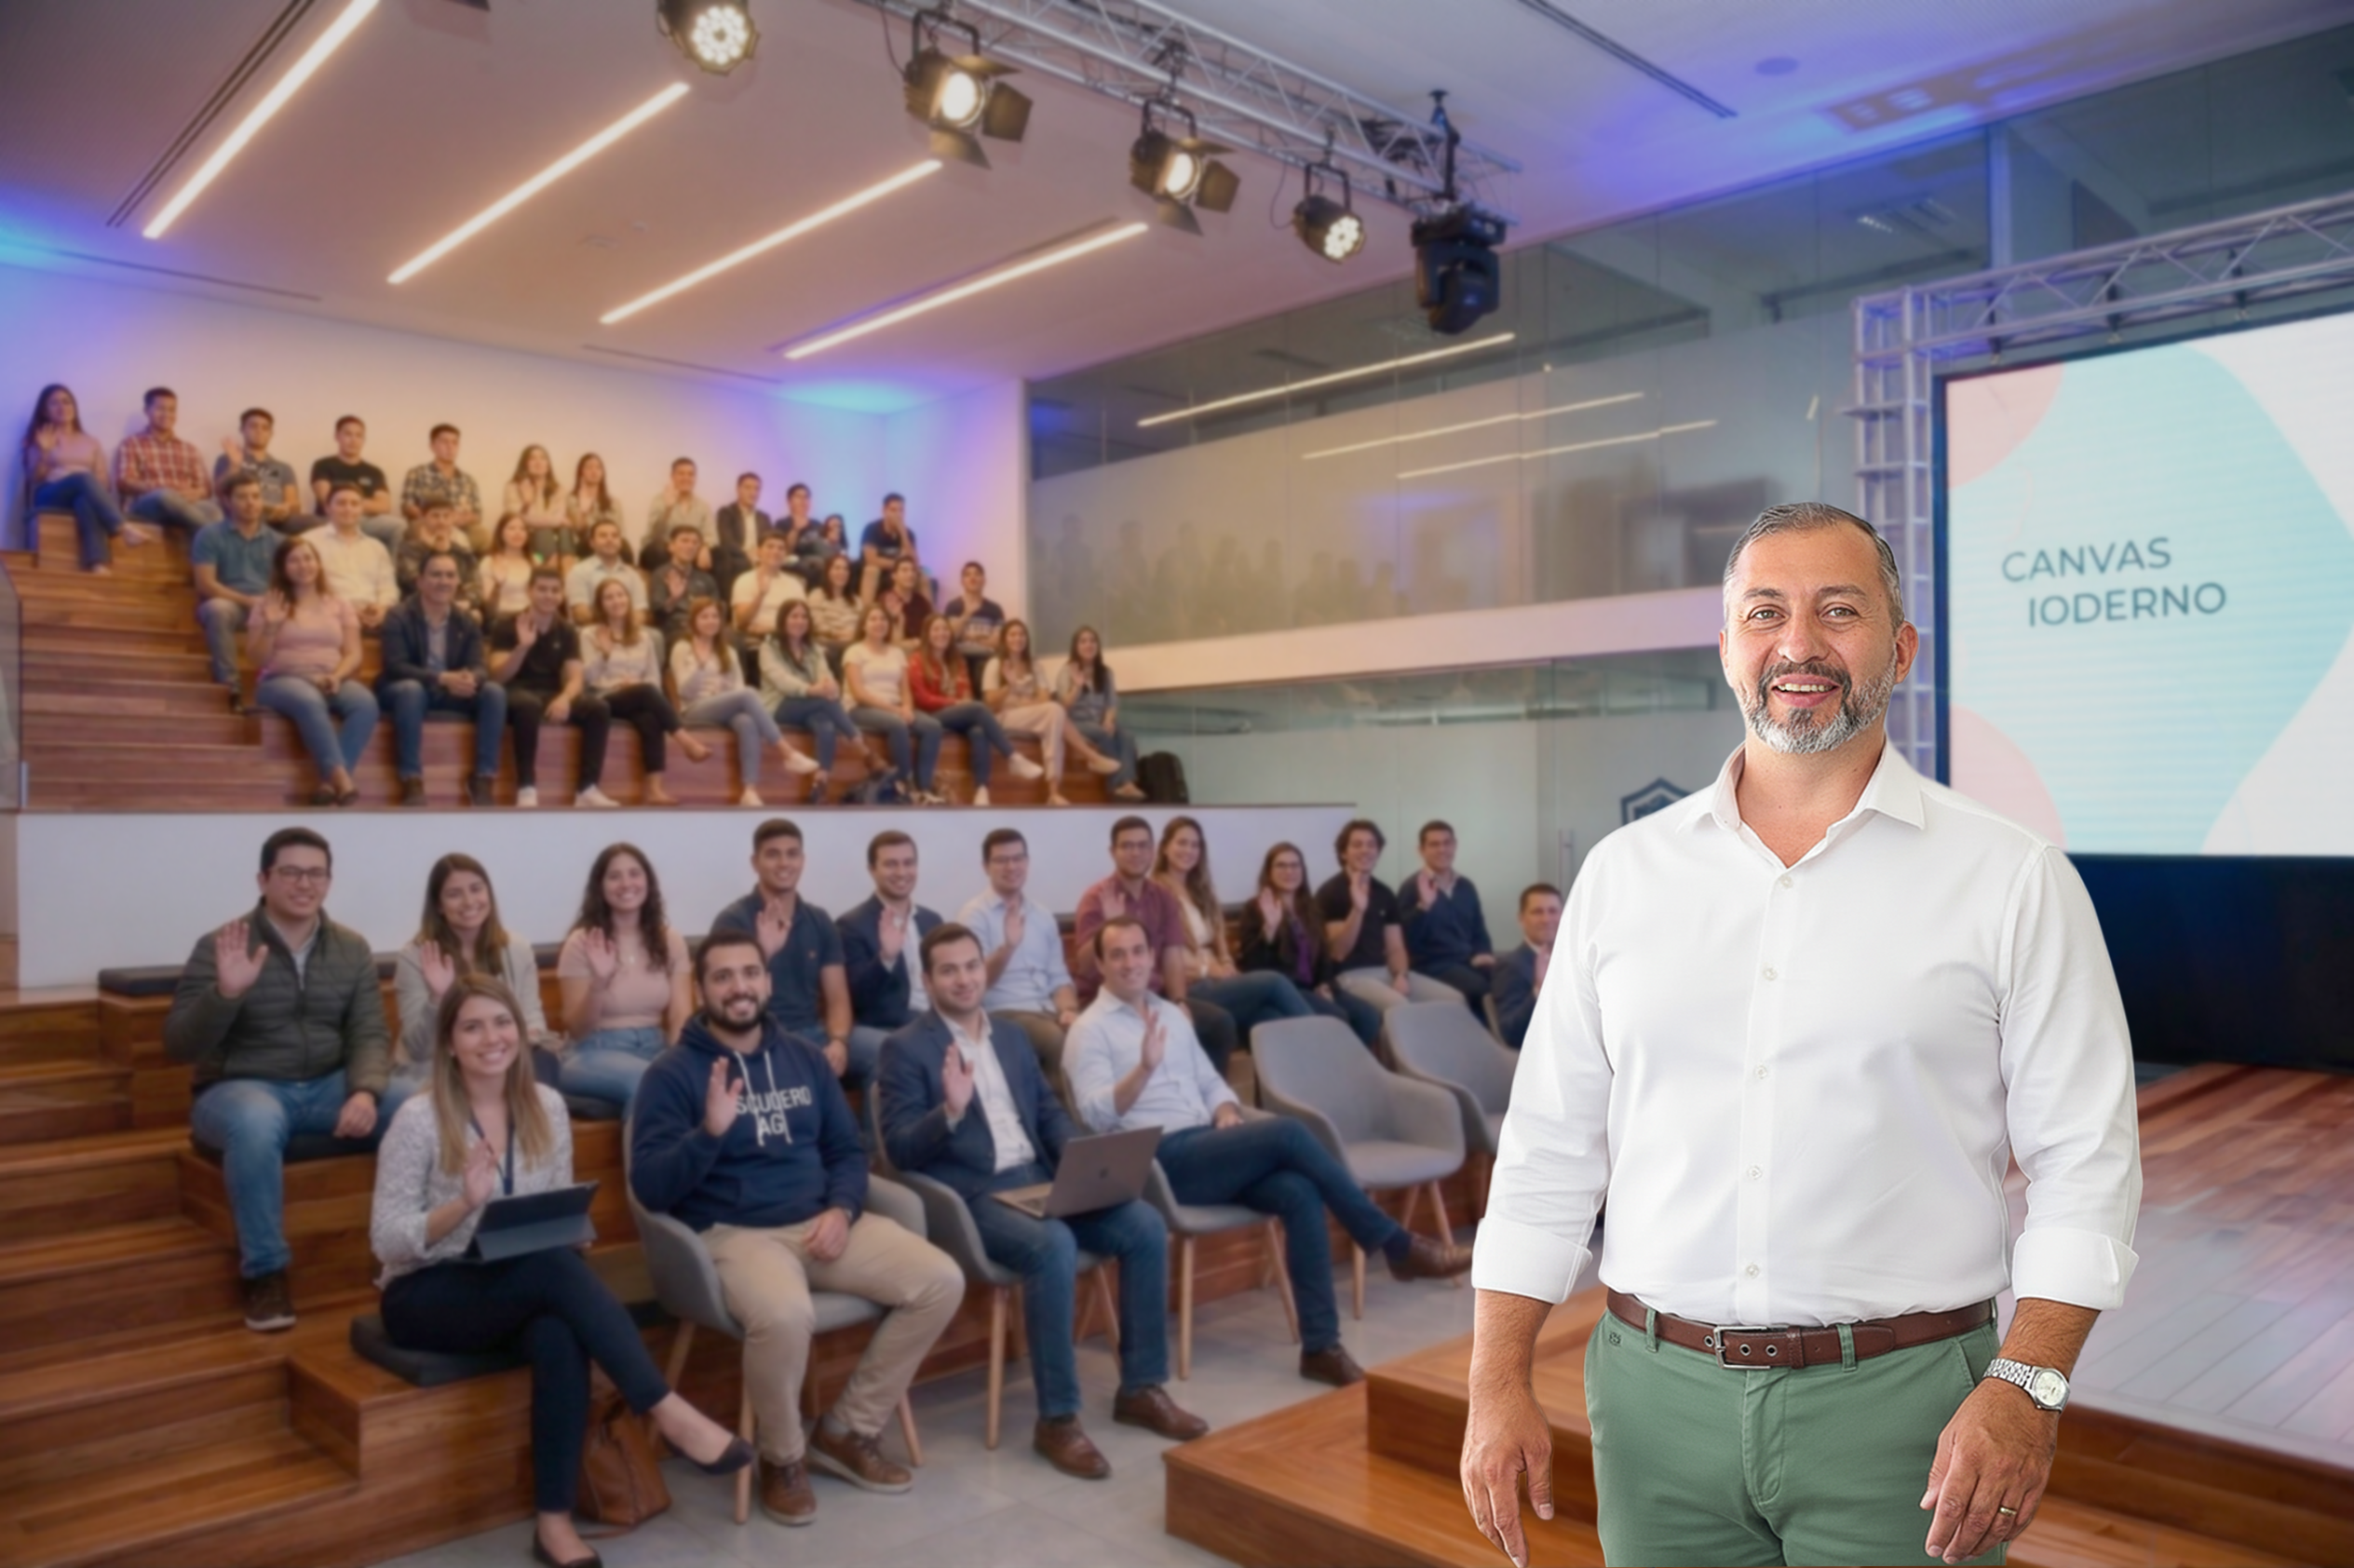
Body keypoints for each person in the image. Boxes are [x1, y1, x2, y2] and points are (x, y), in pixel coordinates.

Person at [1461, 503, 2144, 1568]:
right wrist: (1493, 1377)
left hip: (1906, 1412)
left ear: (1900, 647)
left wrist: (2028, 1382)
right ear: (1727, 646)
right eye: (1764, 612)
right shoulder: (1623, 875)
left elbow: (2084, 1163)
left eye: (1838, 611)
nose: (1797, 643)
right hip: (1649, 1401)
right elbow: (1548, 1148)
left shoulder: (2012, 878)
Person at [372, 975, 752, 1568]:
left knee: (557, 1329)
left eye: (502, 1024)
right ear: (449, 1043)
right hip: (427, 1290)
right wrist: (462, 1206)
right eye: (472, 1026)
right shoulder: (419, 1119)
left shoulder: (547, 1106)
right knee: (550, 1274)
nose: (491, 1038)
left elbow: (546, 1213)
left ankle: (553, 1526)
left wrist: (571, 1231)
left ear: (521, 1035)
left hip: (521, 1279)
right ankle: (665, 1409)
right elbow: (388, 1240)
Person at [631, 932, 964, 1523]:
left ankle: (846, 1431)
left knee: (941, 1278)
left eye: (750, 973)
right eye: (724, 976)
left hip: (824, 1222)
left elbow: (845, 1151)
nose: (739, 987)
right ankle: (781, 1459)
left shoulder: (806, 1058)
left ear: (767, 981)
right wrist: (708, 1134)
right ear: (701, 989)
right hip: (735, 1233)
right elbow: (653, 1188)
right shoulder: (672, 1073)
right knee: (786, 1316)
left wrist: (842, 1209)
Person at [1068, 917, 1473, 1388]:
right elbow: (1095, 1117)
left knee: (1299, 1191)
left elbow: (1210, 1081)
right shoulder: (1089, 1030)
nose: (1130, 963)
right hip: (1158, 1161)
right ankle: (1394, 1244)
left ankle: (1321, 1346)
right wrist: (1142, 1069)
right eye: (1117, 955)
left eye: (1138, 951)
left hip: (1207, 1144)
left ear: (1151, 956)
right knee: (1287, 1134)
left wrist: (1223, 1109)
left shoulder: (1170, 1014)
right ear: (1099, 964)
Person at [878, 925, 1207, 1479]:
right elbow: (901, 1152)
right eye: (949, 970)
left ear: (985, 971)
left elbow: (1049, 1116)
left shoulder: (1010, 1037)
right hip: (973, 1194)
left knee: (1144, 1224)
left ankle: (1142, 1388)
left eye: (971, 966)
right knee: (1053, 1243)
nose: (963, 979)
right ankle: (1057, 1420)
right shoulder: (905, 1048)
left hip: (1039, 1178)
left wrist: (1085, 1162)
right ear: (927, 978)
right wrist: (951, 1113)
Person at [164, 829, 399, 1332]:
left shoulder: (351, 948)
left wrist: (365, 1090)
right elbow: (180, 1045)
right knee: (254, 1121)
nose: (303, 883)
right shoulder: (221, 945)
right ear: (263, 879)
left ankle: (411, 1249)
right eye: (290, 872)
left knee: (418, 1104)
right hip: (237, 1089)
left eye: (315, 873)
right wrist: (225, 994)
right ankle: (266, 1275)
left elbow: (369, 1033)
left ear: (329, 882)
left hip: (326, 1084)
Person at [1070, 818, 1241, 1075]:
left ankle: (1205, 1102)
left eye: (1142, 846)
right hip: (1108, 1000)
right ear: (1112, 852)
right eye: (1127, 846)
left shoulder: (1163, 897)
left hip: (1154, 997)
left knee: (1219, 1023)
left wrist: (1179, 1001)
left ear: (1153, 850)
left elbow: (1173, 956)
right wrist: (1110, 924)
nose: (1136, 853)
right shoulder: (1096, 898)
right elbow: (1085, 967)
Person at [709, 819, 857, 1083]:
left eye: (792, 854)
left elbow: (837, 996)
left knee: (890, 1056)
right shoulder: (733, 920)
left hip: (815, 1033)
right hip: (758, 1035)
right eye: (772, 854)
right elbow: (730, 995)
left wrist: (839, 1041)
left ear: (803, 860)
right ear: (755, 863)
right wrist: (763, 952)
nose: (784, 863)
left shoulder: (819, 920)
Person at [392, 854, 550, 1085]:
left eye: (476, 889)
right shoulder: (414, 957)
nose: (469, 902)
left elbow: (532, 1018)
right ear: (438, 905)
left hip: (502, 1059)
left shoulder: (517, 949)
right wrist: (437, 998)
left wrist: (530, 1035)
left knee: (542, 1073)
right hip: (437, 1068)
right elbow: (419, 1049)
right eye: (454, 894)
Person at [1155, 816, 1317, 1040]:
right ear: (1164, 848)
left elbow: (1220, 944)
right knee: (1274, 981)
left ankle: (1298, 1072)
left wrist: (1227, 964)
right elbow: (1167, 954)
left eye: (1195, 845)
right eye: (1181, 843)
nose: (1189, 850)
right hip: (1189, 986)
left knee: (1269, 1019)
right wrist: (1209, 970)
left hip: (1218, 980)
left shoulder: (1201, 890)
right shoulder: (1156, 892)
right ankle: (1326, 1045)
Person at [557, 843, 692, 1107]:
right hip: (594, 1050)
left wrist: (681, 1060)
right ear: (600, 886)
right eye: (614, 876)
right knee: (650, 1084)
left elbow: (680, 1016)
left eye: (634, 873)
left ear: (647, 881)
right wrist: (599, 982)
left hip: (657, 1045)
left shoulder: (670, 940)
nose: (626, 883)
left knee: (689, 1082)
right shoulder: (581, 942)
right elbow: (577, 1028)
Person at [246, 537, 376, 807]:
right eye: (294, 560)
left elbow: (353, 653)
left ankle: (328, 785)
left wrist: (337, 676)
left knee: (365, 703)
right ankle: (341, 778)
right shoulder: (267, 604)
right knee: (308, 699)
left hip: (330, 676)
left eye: (308, 558)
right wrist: (270, 626)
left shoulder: (338, 604)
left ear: (318, 563)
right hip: (280, 681)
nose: (303, 565)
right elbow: (257, 658)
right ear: (282, 567)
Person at [378, 550, 506, 808]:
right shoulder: (398, 615)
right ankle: (411, 779)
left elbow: (480, 665)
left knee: (493, 692)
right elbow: (396, 666)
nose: (443, 581)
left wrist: (471, 678)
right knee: (412, 691)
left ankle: (483, 778)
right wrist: (441, 677)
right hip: (404, 688)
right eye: (435, 574)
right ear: (420, 581)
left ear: (458, 582)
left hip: (450, 688)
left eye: (450, 575)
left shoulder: (466, 620)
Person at [957, 828, 1082, 1082]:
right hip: (1002, 1012)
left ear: (1027, 862)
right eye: (1002, 860)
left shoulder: (1042, 915)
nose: (1011, 866)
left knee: (1095, 1031)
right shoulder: (974, 915)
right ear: (985, 866)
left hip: (1048, 1009)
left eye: (1018, 858)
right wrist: (1008, 948)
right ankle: (1064, 1119)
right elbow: (976, 982)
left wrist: (1069, 1009)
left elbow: (1059, 977)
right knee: (1055, 1040)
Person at [671, 598, 819, 808]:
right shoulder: (683, 648)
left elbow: (737, 687)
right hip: (695, 707)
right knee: (749, 694)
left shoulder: (728, 651)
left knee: (747, 721)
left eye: (714, 616)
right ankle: (788, 752)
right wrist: (701, 666)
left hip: (724, 706)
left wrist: (724, 693)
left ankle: (749, 791)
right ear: (694, 621)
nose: (710, 621)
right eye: (704, 617)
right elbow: (682, 690)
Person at [492, 566, 616, 810]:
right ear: (530, 591)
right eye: (542, 589)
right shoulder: (507, 625)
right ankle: (526, 788)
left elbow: (575, 677)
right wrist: (522, 647)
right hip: (514, 690)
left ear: (562, 595)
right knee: (528, 705)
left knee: (598, 707)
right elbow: (497, 676)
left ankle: (587, 788)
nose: (549, 596)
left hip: (550, 692)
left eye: (555, 590)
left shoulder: (566, 629)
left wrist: (565, 699)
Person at [1238, 842, 1383, 1050]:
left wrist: (1325, 984)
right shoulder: (1255, 908)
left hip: (1313, 986)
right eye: (1281, 866)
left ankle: (1353, 1069)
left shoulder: (1310, 907)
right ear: (1269, 872)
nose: (1289, 871)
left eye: (1295, 865)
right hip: (1286, 990)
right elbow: (1254, 966)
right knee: (1336, 1018)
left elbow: (1324, 955)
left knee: (1368, 1016)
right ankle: (1332, 1072)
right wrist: (1269, 930)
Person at [583, 577, 708, 807]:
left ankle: (654, 788)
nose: (616, 601)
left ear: (628, 600)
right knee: (646, 692)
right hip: (603, 698)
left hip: (638, 698)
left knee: (651, 719)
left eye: (620, 595)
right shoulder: (590, 634)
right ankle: (684, 739)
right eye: (608, 597)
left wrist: (636, 684)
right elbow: (587, 679)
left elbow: (653, 677)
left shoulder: (644, 636)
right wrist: (605, 654)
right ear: (600, 604)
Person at [1318, 819, 1463, 1017]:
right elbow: (1338, 952)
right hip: (1349, 977)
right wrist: (1358, 910)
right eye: (1357, 845)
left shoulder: (1384, 893)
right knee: (1401, 1008)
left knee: (1454, 1001)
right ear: (1344, 853)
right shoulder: (1330, 892)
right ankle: (1404, 1049)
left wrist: (1401, 975)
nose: (1365, 850)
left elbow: (1395, 947)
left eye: (1371, 845)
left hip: (1384, 971)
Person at [837, 831, 941, 1083]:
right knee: (897, 1054)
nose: (901, 871)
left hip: (934, 1022)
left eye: (908, 863)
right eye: (890, 864)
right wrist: (886, 958)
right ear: (872, 870)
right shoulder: (851, 925)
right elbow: (857, 998)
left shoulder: (932, 921)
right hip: (881, 1028)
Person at [983, 619, 1118, 806]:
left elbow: (1045, 698)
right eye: (1013, 635)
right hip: (1003, 718)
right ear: (1005, 639)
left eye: (1022, 634)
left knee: (1054, 715)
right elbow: (990, 702)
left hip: (1033, 715)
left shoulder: (1034, 664)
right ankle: (1092, 757)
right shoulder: (995, 663)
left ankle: (1054, 792)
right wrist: (1010, 686)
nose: (1018, 638)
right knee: (1055, 711)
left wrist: (1019, 702)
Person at [910, 615, 1041, 807]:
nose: (942, 634)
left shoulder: (957, 660)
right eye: (936, 630)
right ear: (927, 634)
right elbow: (922, 698)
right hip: (929, 715)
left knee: (979, 730)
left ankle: (982, 790)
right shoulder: (917, 659)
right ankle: (1013, 757)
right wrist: (955, 703)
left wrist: (962, 703)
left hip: (956, 713)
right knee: (979, 709)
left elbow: (967, 693)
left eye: (945, 629)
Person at [21, 383, 155, 572]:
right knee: (82, 478)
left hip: (83, 490)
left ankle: (98, 563)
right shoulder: (42, 436)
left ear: (74, 406)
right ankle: (122, 528)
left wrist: (91, 488)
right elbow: (35, 478)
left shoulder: (91, 441)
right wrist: (44, 452)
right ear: (44, 410)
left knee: (84, 500)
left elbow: (103, 482)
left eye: (67, 402)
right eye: (54, 403)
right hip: (49, 493)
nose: (62, 407)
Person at [193, 474, 286, 702]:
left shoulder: (279, 540)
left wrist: (268, 604)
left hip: (267, 604)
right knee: (218, 609)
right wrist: (249, 601)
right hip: (229, 602)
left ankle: (282, 687)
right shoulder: (210, 535)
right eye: (242, 497)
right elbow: (206, 584)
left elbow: (287, 584)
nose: (251, 503)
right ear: (226, 501)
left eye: (256, 496)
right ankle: (230, 686)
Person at [760, 600, 861, 806]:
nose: (799, 621)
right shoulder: (769, 646)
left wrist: (829, 685)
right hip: (779, 705)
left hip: (812, 705)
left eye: (804, 616)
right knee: (826, 704)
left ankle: (820, 782)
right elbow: (781, 680)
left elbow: (825, 676)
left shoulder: (813, 648)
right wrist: (811, 690)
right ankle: (860, 743)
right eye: (794, 616)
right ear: (783, 620)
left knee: (826, 723)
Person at [1398, 820, 1498, 1018]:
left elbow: (1479, 929)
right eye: (1434, 844)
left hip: (1467, 960)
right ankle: (1484, 1044)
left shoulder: (1466, 886)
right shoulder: (1411, 888)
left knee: (1510, 981)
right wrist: (1423, 907)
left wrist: (1484, 952)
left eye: (1447, 843)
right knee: (1479, 989)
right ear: (1421, 850)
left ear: (1455, 845)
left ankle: (1516, 1042)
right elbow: (1404, 938)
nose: (1442, 849)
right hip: (1432, 965)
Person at [844, 604, 940, 803]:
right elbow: (859, 693)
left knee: (933, 727)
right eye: (873, 619)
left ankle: (925, 788)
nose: (879, 623)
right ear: (864, 624)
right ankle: (903, 784)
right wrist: (896, 711)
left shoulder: (897, 652)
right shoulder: (854, 652)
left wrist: (907, 707)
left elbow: (905, 689)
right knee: (897, 724)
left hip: (895, 705)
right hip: (861, 708)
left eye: (883, 619)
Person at [1054, 626, 1145, 801]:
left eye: (1092, 641)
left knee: (1126, 736)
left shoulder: (1106, 672)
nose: (1089, 645)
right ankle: (1115, 785)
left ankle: (1127, 783)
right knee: (1101, 733)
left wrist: (1109, 720)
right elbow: (1063, 707)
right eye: (1083, 641)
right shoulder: (1066, 672)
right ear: (1076, 646)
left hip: (1098, 720)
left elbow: (1112, 703)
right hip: (1075, 723)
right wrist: (1077, 686)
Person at [115, 386, 223, 534]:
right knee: (164, 495)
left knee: (213, 510)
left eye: (172, 410)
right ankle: (219, 542)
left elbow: (205, 488)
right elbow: (124, 481)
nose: (167, 414)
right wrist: (164, 490)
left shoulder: (189, 449)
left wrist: (194, 494)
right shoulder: (131, 443)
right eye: (160, 409)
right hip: (146, 507)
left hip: (184, 506)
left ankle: (209, 549)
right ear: (147, 411)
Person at [308, 414, 404, 551]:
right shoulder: (323, 465)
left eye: (359, 436)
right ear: (337, 437)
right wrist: (361, 504)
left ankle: (391, 571)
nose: (353, 440)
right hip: (331, 519)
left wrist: (347, 503)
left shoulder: (374, 471)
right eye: (348, 434)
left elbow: (384, 506)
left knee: (400, 526)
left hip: (364, 521)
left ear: (363, 440)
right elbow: (326, 498)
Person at [310, 483, 399, 629]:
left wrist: (382, 609)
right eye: (341, 503)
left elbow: (388, 588)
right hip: (329, 619)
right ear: (327, 508)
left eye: (354, 504)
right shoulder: (309, 543)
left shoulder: (376, 547)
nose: (348, 509)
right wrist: (345, 611)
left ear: (362, 509)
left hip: (374, 619)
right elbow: (307, 590)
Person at [1489, 884, 1561, 1050]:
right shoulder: (1511, 966)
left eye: (1553, 911)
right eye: (1537, 912)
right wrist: (1538, 990)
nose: (1546, 919)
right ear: (1521, 919)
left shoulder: (1573, 961)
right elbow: (1510, 1032)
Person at [212, 408, 304, 532]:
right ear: (242, 430)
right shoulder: (227, 459)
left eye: (265, 428)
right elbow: (220, 493)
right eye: (253, 426)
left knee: (319, 524)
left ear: (271, 433)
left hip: (279, 521)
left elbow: (294, 505)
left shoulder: (284, 468)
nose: (259, 431)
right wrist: (234, 465)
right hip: (243, 518)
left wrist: (284, 509)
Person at [399, 424, 481, 543]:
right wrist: (434, 519)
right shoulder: (417, 473)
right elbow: (407, 506)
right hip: (427, 524)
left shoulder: (468, 480)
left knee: (482, 535)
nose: (450, 447)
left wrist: (457, 520)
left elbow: (477, 514)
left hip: (460, 526)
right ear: (432, 446)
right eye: (444, 442)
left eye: (455, 443)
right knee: (414, 529)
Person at [396, 500, 479, 607]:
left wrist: (468, 602)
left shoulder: (463, 552)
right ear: (423, 518)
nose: (441, 521)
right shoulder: (408, 549)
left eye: (446, 516)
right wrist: (435, 551)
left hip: (458, 606)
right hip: (419, 607)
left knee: (475, 616)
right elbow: (415, 584)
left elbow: (475, 586)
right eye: (435, 516)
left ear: (453, 518)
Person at [564, 519, 647, 626]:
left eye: (615, 536)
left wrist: (623, 631)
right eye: (603, 536)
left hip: (627, 632)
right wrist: (613, 627)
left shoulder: (632, 575)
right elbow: (581, 614)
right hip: (592, 630)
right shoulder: (579, 571)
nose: (610, 539)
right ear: (592, 543)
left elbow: (640, 613)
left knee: (655, 636)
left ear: (620, 542)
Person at [940, 561, 1006, 690]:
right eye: (968, 575)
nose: (972, 578)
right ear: (962, 581)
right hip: (959, 656)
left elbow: (996, 642)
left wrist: (969, 637)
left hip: (985, 657)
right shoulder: (953, 606)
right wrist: (966, 614)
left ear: (984, 580)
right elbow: (950, 637)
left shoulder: (995, 609)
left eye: (977, 574)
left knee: (986, 666)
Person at [647, 524, 717, 644]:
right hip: (676, 628)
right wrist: (673, 599)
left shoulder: (706, 579)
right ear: (671, 547)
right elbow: (657, 613)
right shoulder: (660, 575)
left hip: (706, 626)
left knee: (732, 637)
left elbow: (717, 608)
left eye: (695, 543)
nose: (690, 546)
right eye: (684, 541)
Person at [731, 529, 805, 640]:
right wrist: (761, 595)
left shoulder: (794, 583)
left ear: (786, 554)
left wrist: (774, 630)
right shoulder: (744, 580)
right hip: (756, 639)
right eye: (770, 547)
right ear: (759, 551)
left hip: (789, 638)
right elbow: (741, 622)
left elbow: (804, 620)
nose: (776, 551)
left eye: (781, 548)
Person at [642, 457, 714, 570]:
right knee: (656, 549)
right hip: (666, 550)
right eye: (681, 474)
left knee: (720, 554)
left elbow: (711, 535)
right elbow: (654, 536)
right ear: (672, 476)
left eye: (691, 474)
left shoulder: (703, 506)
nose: (686, 478)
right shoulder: (659, 501)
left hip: (693, 551)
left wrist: (704, 547)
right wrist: (668, 508)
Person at [501, 445, 568, 561]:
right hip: (527, 536)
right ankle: (549, 568)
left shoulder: (558, 489)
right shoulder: (513, 486)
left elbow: (558, 517)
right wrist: (526, 503)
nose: (538, 462)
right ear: (524, 464)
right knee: (544, 533)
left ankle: (567, 568)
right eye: (532, 459)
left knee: (565, 532)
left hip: (555, 536)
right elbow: (515, 518)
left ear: (548, 464)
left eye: (543, 458)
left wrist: (554, 521)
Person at [806, 552, 866, 670]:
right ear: (828, 572)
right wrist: (837, 634)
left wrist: (855, 635)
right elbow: (817, 625)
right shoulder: (816, 595)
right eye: (837, 568)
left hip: (853, 642)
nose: (842, 573)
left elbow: (863, 625)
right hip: (827, 642)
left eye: (845, 569)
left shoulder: (857, 600)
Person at [563, 453, 623, 566]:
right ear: (581, 472)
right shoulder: (571, 499)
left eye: (598, 467)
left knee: (624, 547)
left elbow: (618, 529)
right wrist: (584, 510)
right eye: (589, 467)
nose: (594, 471)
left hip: (609, 541)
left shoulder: (613, 502)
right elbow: (578, 530)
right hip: (584, 544)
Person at [858, 493, 918, 601]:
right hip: (878, 572)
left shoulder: (908, 533)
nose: (898, 514)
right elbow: (871, 560)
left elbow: (914, 562)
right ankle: (867, 612)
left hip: (898, 572)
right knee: (872, 570)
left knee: (924, 577)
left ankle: (930, 616)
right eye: (893, 510)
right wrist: (898, 565)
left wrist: (903, 532)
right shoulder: (872, 529)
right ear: (884, 511)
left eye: (901, 510)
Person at [711, 471, 765, 593]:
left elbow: (769, 540)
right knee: (729, 560)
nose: (753, 493)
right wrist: (747, 553)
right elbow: (727, 541)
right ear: (738, 489)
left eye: (757, 489)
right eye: (748, 488)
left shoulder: (764, 517)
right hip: (737, 558)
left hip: (761, 558)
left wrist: (761, 554)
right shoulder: (726, 512)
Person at [479, 513, 538, 623]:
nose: (518, 533)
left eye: (522, 529)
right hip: (503, 619)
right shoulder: (489, 562)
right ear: (500, 533)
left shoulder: (535, 561)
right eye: (511, 528)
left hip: (532, 617)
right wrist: (498, 584)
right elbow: (488, 606)